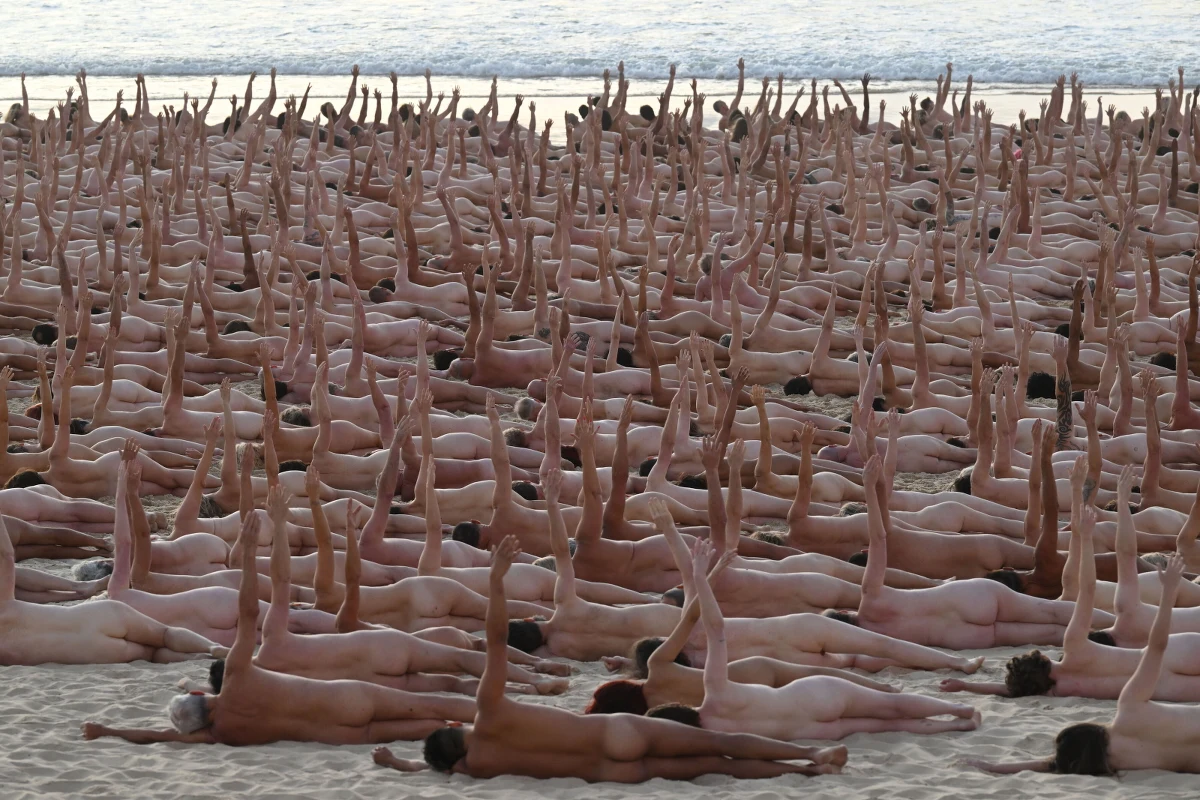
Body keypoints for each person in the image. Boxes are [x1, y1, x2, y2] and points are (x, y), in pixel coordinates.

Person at [372, 535, 848, 781]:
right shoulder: (490, 710)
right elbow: (497, 641)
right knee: (721, 745)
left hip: (608, 771)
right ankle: (809, 755)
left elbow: (435, 769)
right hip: (615, 733)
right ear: (457, 730)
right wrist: (495, 581)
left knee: (716, 767)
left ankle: (804, 772)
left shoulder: (478, 766)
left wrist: (398, 764)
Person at [81, 498, 478, 746]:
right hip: (344, 697)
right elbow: (263, 600)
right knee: (431, 700)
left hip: (335, 734)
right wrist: (252, 552)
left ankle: (458, 728)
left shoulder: (221, 734)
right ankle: (482, 715)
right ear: (202, 696)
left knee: (422, 723)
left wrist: (111, 732)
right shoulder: (239, 673)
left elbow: (157, 736)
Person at [963, 554, 1200, 776]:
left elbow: (1053, 763)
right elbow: (1157, 645)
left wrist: (994, 766)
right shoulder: (1130, 707)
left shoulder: (1121, 761)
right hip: (1176, 657)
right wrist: (1168, 592)